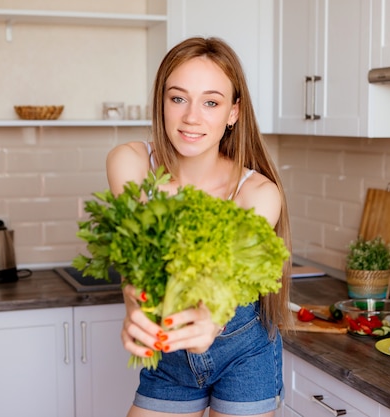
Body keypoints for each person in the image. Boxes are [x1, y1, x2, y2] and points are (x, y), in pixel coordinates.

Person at [105, 36, 292, 417]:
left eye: (211, 102)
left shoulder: (257, 193)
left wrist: (209, 319)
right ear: (161, 102)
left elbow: (228, 283)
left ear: (233, 113)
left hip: (245, 353)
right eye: (178, 98)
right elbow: (138, 257)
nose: (192, 117)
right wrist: (134, 306)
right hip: (170, 354)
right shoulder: (131, 163)